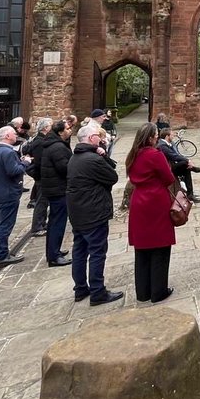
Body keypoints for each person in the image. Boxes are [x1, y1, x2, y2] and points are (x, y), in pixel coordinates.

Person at [67, 124, 124, 305]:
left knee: (80, 251)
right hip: (94, 211)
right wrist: (103, 155)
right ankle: (98, 292)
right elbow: (112, 177)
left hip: (77, 212)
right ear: (91, 138)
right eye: (98, 137)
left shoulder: (74, 157)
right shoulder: (92, 159)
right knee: (97, 252)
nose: (101, 139)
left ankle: (80, 288)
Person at [125, 122, 177, 303]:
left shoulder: (133, 154)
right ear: (149, 138)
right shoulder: (155, 155)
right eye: (155, 135)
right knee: (160, 247)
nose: (157, 137)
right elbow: (169, 177)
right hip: (155, 201)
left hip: (139, 202)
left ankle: (143, 292)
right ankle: (158, 291)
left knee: (142, 249)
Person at [0, 125, 29, 266]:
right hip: (8, 193)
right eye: (14, 134)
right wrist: (26, 162)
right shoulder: (8, 152)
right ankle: (2, 255)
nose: (16, 136)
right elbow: (14, 170)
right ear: (7, 136)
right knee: (5, 225)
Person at [40, 120, 73, 267]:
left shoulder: (54, 144)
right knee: (57, 223)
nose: (70, 130)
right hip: (58, 189)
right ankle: (54, 256)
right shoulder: (58, 147)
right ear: (60, 132)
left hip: (54, 188)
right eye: (67, 128)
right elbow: (64, 168)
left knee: (55, 221)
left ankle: (54, 251)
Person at [157, 125, 200, 203]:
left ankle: (190, 194)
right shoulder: (162, 146)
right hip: (168, 168)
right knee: (185, 163)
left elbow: (177, 154)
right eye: (172, 135)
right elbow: (174, 156)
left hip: (172, 165)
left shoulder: (168, 143)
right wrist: (188, 160)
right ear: (167, 136)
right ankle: (193, 168)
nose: (173, 136)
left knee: (186, 169)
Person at [25, 117, 55, 234]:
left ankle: (42, 223)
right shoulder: (39, 142)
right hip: (42, 176)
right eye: (50, 126)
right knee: (41, 201)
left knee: (44, 201)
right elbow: (40, 161)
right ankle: (37, 226)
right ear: (46, 128)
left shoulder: (42, 140)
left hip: (44, 175)